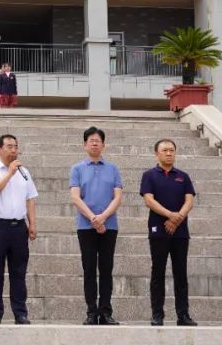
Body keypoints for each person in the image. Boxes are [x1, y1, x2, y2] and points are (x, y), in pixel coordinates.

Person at [0, 134, 38, 324]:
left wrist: (32, 224)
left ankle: (20, 313)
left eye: (16, 147)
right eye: (9, 147)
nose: (14, 150)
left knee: (19, 273)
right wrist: (9, 173)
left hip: (18, 227)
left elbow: (30, 199)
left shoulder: (24, 172)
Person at [140, 138, 197, 327]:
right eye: (165, 150)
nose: (169, 153)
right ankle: (157, 314)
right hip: (158, 229)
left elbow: (189, 200)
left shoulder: (183, 176)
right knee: (158, 272)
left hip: (180, 231)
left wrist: (178, 217)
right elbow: (149, 200)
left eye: (172, 150)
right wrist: (170, 216)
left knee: (181, 273)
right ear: (157, 153)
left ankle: (183, 315)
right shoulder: (149, 175)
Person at [69, 126, 123, 325]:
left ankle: (106, 312)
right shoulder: (77, 169)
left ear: (103, 144)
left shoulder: (113, 168)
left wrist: (103, 217)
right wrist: (93, 218)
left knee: (107, 269)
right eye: (90, 140)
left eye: (98, 140)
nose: (94, 143)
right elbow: (75, 197)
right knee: (89, 268)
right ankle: (92, 312)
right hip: (85, 226)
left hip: (110, 226)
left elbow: (118, 197)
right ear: (84, 145)